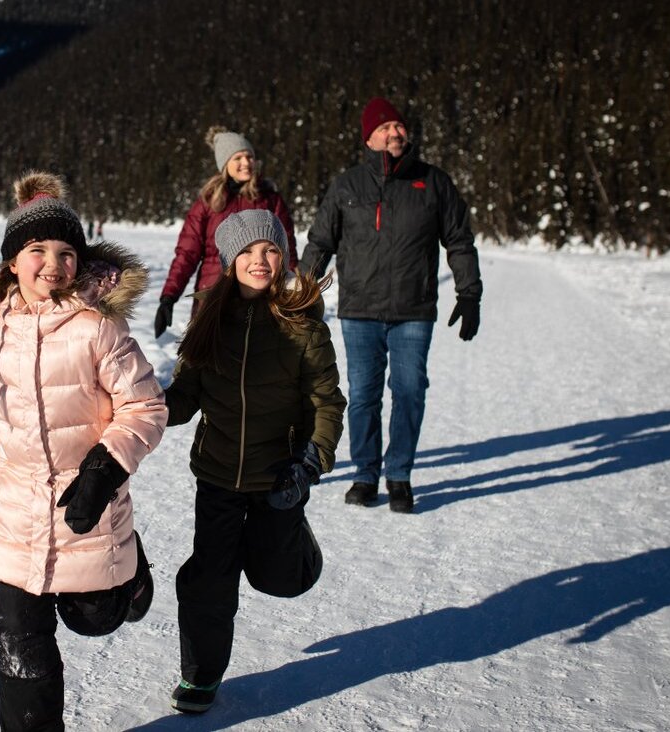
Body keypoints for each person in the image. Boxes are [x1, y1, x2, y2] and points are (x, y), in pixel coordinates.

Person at [0, 171, 167, 731]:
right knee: (19, 639)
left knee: (93, 619)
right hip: (17, 509)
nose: (52, 265)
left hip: (89, 500)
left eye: (65, 252)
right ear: (13, 261)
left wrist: (105, 468)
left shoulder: (98, 328)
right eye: (37, 250)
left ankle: (129, 574)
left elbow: (146, 408)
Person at [163, 210, 346, 713]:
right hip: (218, 474)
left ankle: (296, 542)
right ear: (229, 261)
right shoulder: (209, 319)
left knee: (278, 578)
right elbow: (186, 394)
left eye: (269, 250)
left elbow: (327, 403)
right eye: (247, 252)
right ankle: (201, 678)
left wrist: (309, 463)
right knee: (210, 577)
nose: (259, 260)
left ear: (282, 257)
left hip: (278, 477)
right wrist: (150, 407)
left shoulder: (301, 326)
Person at [299, 96, 483, 514]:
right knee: (363, 395)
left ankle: (399, 474)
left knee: (410, 390)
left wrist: (469, 292)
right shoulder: (347, 186)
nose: (394, 133)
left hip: (413, 310)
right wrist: (300, 298)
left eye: (399, 126)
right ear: (369, 137)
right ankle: (366, 474)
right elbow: (321, 243)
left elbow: (459, 240)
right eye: (384, 128)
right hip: (359, 310)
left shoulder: (433, 182)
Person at [154, 126, 299, 339]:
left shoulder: (269, 199)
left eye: (249, 156)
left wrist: (294, 291)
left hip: (260, 294)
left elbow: (287, 251)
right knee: (209, 361)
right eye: (238, 157)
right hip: (214, 294)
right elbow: (187, 253)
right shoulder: (208, 202)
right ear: (225, 164)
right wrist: (169, 297)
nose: (246, 162)